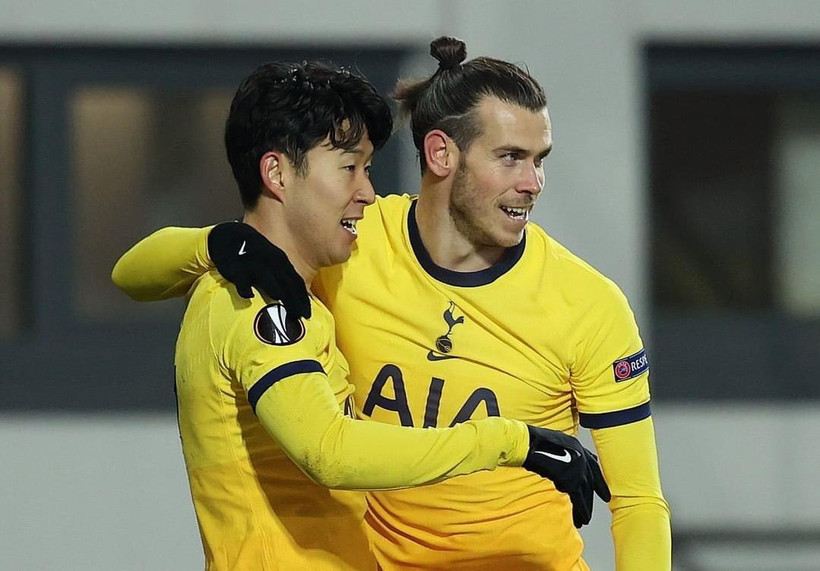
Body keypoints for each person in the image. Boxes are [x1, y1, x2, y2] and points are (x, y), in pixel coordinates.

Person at [113, 37, 669, 570]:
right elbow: (134, 274)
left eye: (539, 159)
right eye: (510, 158)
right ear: (440, 153)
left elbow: (639, 501)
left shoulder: (590, 305)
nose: (533, 182)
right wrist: (216, 241)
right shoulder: (348, 247)